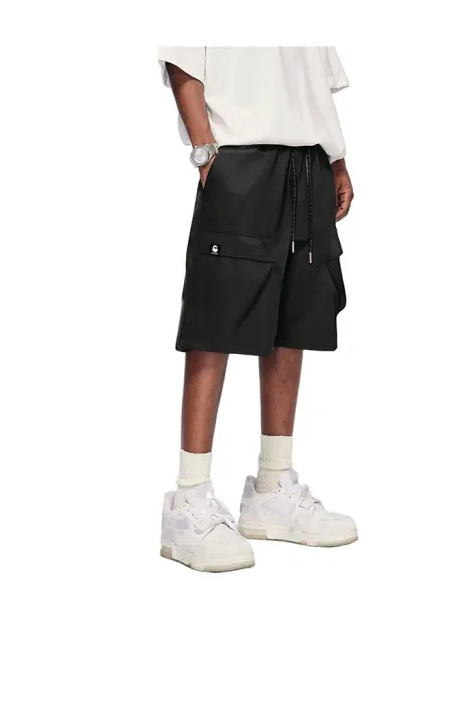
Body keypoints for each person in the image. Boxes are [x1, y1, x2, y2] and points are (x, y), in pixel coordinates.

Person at [158, 47, 356, 572]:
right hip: (239, 157)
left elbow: (312, 80)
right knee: (216, 320)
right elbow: (182, 57)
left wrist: (336, 157)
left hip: (309, 161)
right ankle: (189, 500)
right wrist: (205, 151)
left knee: (295, 320)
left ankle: (273, 488)